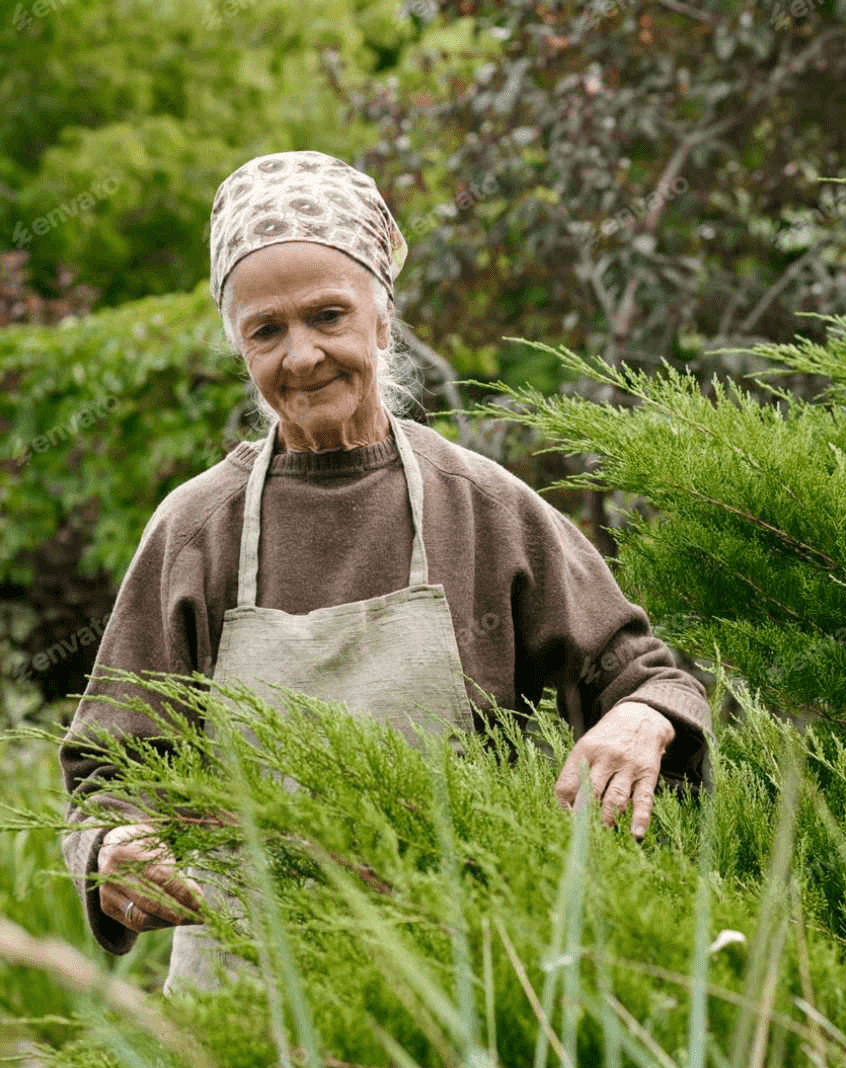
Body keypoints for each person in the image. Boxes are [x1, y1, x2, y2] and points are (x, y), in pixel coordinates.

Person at [60, 150, 710, 994]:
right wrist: (112, 851)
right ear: (239, 347)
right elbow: (108, 768)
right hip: (246, 1004)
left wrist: (644, 720)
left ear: (382, 318)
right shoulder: (197, 527)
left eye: (328, 315)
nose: (301, 356)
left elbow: (642, 675)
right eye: (267, 330)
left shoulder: (480, 505)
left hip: (460, 987)